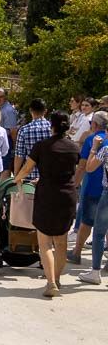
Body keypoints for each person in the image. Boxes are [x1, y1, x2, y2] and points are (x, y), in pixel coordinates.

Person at [13, 112, 81, 298]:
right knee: (61, 242)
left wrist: (16, 179)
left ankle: (50, 283)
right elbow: (73, 170)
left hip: (47, 196)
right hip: (67, 196)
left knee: (45, 244)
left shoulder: (42, 146)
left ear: (51, 125)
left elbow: (27, 168)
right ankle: (57, 279)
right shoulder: (73, 147)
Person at [68, 111, 107, 266]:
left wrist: (74, 184)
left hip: (92, 186)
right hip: (105, 188)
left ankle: (76, 252)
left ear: (94, 124)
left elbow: (82, 166)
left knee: (87, 221)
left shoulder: (92, 140)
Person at [79, 130, 108, 285]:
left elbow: (89, 168)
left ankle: (95, 271)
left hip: (107, 194)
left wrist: (94, 147)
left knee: (98, 233)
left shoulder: (105, 149)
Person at [14, 99, 51, 182]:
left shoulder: (24, 130)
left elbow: (19, 155)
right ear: (45, 111)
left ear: (30, 110)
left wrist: (16, 175)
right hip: (48, 176)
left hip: (29, 176)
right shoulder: (52, 129)